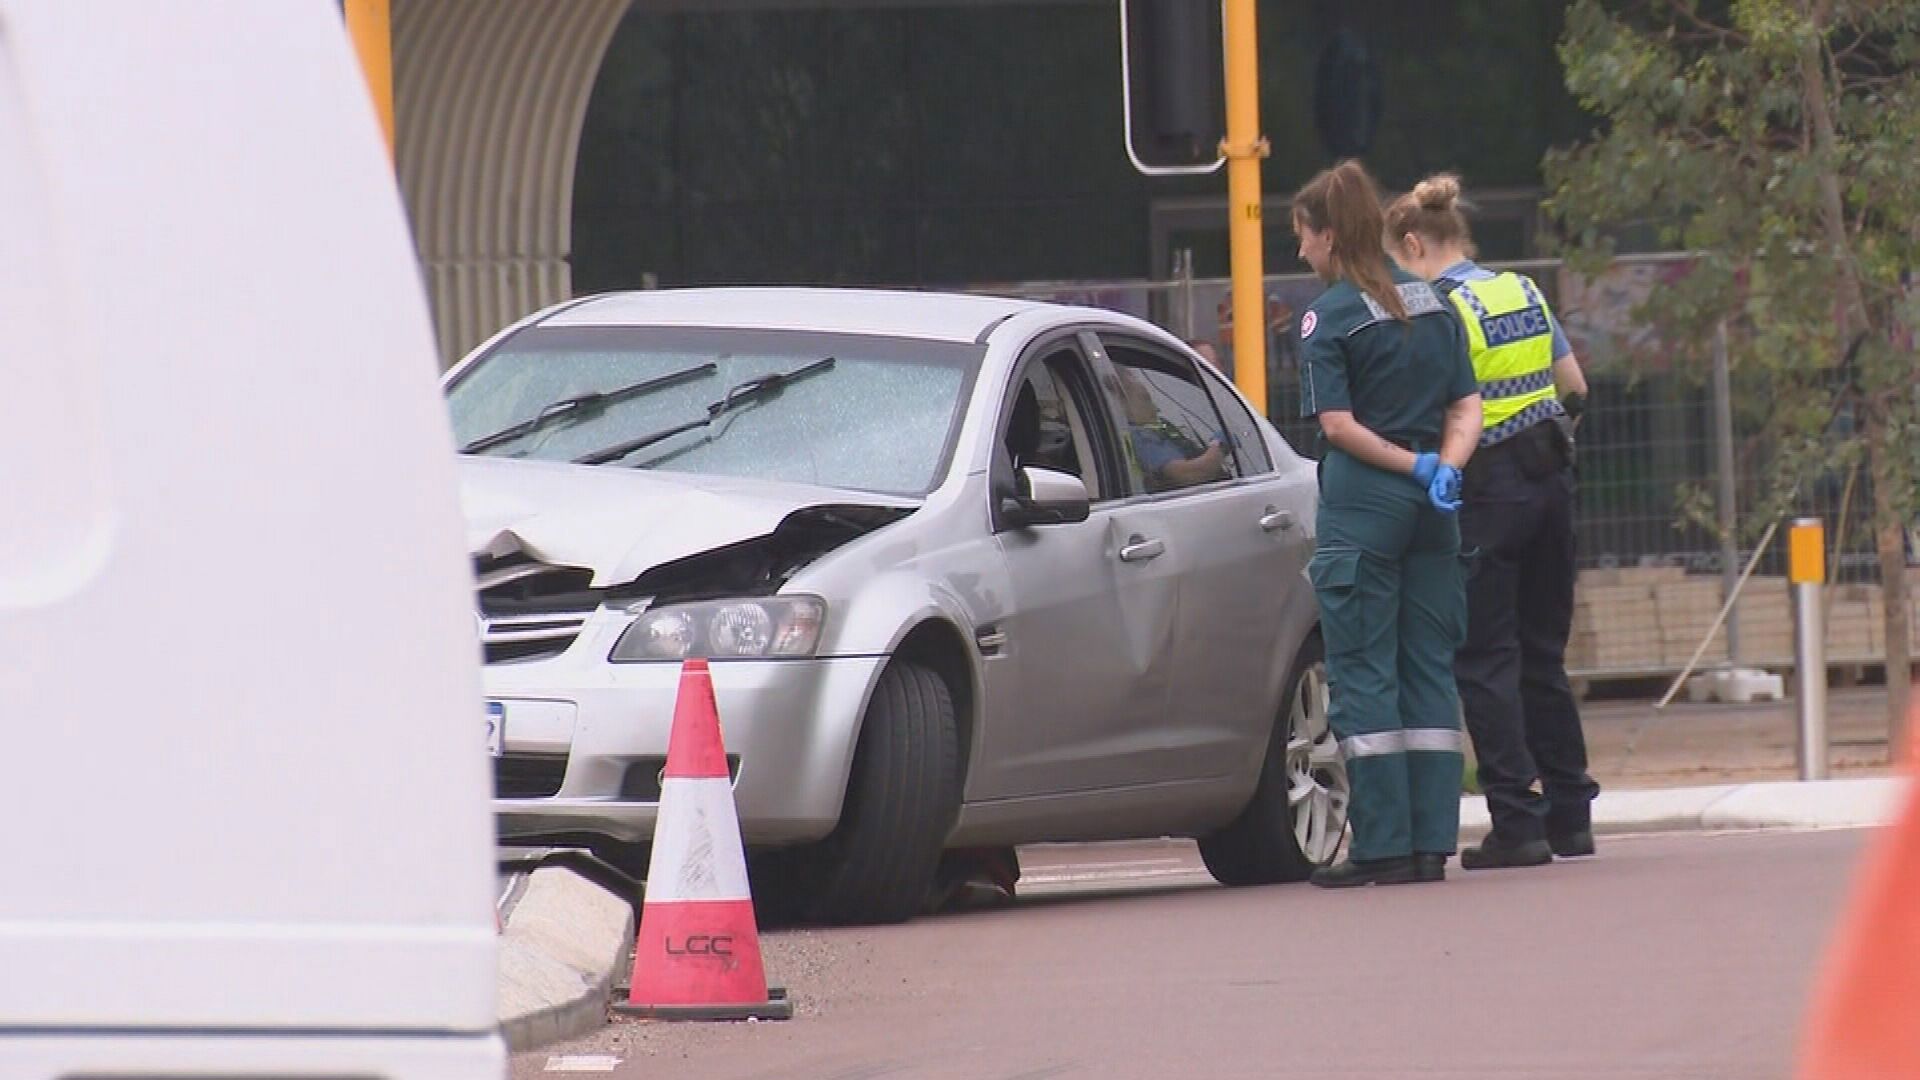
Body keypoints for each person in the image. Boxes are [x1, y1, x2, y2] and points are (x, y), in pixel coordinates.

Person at [1387, 173, 1600, 869]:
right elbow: (1576, 386)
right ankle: (1570, 814)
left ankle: (1517, 820)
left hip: (1488, 489)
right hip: (1551, 485)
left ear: (1416, 244)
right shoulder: (1525, 289)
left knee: (1484, 658)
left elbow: (1432, 410)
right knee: (1543, 654)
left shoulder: (1439, 309)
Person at [1292, 160, 1483, 887]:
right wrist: (1445, 467)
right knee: (1429, 669)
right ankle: (1431, 845)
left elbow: (1338, 425)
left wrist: (1407, 467)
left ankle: (1381, 848)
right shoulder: (1434, 303)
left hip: (1366, 508)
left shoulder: (1331, 315)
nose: (1302, 253)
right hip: (1436, 512)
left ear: (1332, 236)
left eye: (1304, 238)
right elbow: (1467, 407)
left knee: (1364, 673)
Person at [1118, 370, 1229, 491]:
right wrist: (1219, 444)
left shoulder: (1131, 434)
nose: (1156, 408)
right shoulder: (1140, 437)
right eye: (1146, 399)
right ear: (1122, 403)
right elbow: (1189, 474)